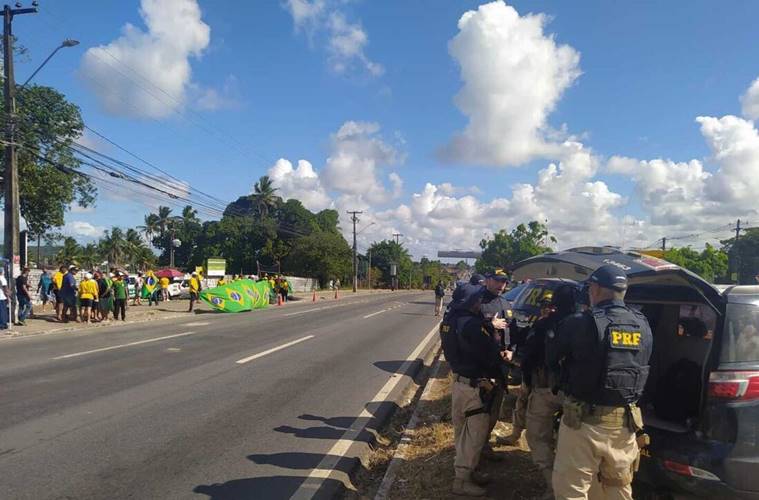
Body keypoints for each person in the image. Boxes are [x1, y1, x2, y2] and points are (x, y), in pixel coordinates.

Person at [548, 265, 653, 500]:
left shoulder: (579, 323)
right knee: (617, 487)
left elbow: (552, 359)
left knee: (572, 490)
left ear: (594, 289)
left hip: (583, 423)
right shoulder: (643, 324)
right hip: (624, 424)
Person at [449, 282, 511, 497]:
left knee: (461, 434)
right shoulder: (474, 327)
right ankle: (461, 481)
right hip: (475, 387)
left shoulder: (450, 321)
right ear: (471, 302)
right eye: (477, 299)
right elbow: (489, 354)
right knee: (474, 436)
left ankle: (468, 471)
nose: (480, 302)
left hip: (459, 382)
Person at [520, 286, 577, 499]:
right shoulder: (586, 324)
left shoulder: (544, 324)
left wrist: (527, 382)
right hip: (575, 393)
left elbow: (528, 356)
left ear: (555, 304)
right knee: (573, 443)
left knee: (537, 436)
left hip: (545, 388)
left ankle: (552, 485)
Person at [477, 269, 511, 460]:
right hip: (482, 364)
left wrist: (511, 349)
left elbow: (511, 329)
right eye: (497, 281)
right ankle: (473, 449)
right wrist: (489, 324)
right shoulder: (477, 301)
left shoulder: (505, 302)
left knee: (495, 408)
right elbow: (466, 327)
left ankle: (484, 444)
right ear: (488, 280)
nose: (501, 285)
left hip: (501, 364)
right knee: (479, 409)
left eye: (504, 282)